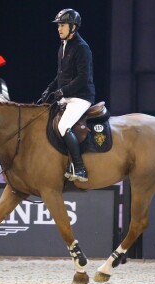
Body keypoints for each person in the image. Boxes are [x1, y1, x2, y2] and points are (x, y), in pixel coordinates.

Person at [39, 8, 95, 182]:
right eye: (58, 26)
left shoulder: (82, 48)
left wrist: (63, 91)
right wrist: (49, 89)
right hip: (68, 96)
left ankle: (79, 168)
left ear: (73, 27)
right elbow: (61, 74)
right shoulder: (63, 46)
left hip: (81, 97)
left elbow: (82, 78)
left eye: (62, 25)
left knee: (63, 126)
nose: (59, 29)